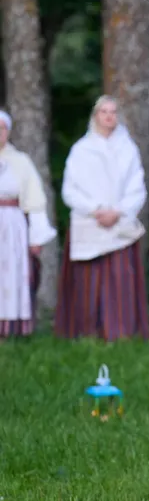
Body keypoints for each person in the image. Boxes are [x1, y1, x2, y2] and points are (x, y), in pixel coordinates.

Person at [55, 95, 149, 341]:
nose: (109, 116)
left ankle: (120, 332)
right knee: (88, 282)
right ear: (95, 116)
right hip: (90, 223)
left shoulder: (127, 150)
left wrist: (117, 211)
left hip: (118, 224)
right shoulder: (81, 150)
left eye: (113, 112)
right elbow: (70, 190)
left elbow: (136, 187)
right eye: (104, 112)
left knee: (119, 281)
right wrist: (95, 209)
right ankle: (87, 332)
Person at [0, 110, 57, 338]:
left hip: (12, 225)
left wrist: (37, 237)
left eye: (2, 129)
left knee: (11, 275)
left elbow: (34, 200)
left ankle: (9, 329)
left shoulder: (20, 162)